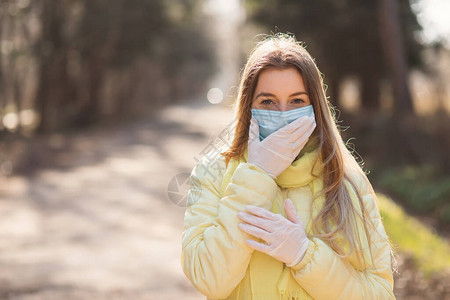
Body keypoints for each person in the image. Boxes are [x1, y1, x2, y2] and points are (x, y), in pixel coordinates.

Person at [181, 32, 397, 300]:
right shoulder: (213, 172)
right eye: (268, 102)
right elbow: (208, 279)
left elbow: (380, 294)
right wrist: (258, 174)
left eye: (297, 101)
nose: (283, 114)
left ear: (315, 107)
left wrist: (305, 256)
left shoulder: (347, 181)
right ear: (249, 107)